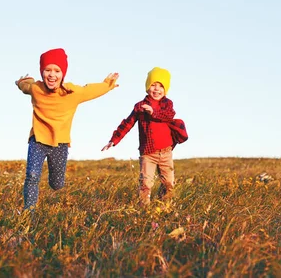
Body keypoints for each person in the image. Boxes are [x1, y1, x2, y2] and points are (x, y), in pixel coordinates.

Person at [15, 48, 119, 210]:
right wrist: (21, 82)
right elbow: (25, 86)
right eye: (47, 70)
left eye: (57, 71)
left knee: (57, 184)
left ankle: (54, 181)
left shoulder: (72, 93)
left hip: (60, 143)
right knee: (32, 176)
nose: (52, 75)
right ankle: (29, 212)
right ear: (42, 72)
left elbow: (90, 90)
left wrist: (108, 84)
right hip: (38, 140)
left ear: (63, 74)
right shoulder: (36, 89)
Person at [101, 67, 187, 206]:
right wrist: (114, 139)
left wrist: (153, 112)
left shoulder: (167, 104)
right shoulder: (140, 106)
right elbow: (127, 123)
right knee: (146, 183)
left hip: (165, 152)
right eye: (153, 84)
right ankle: (144, 208)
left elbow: (169, 115)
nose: (157, 89)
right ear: (147, 87)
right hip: (147, 153)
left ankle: (164, 204)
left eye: (161, 86)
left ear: (165, 90)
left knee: (169, 183)